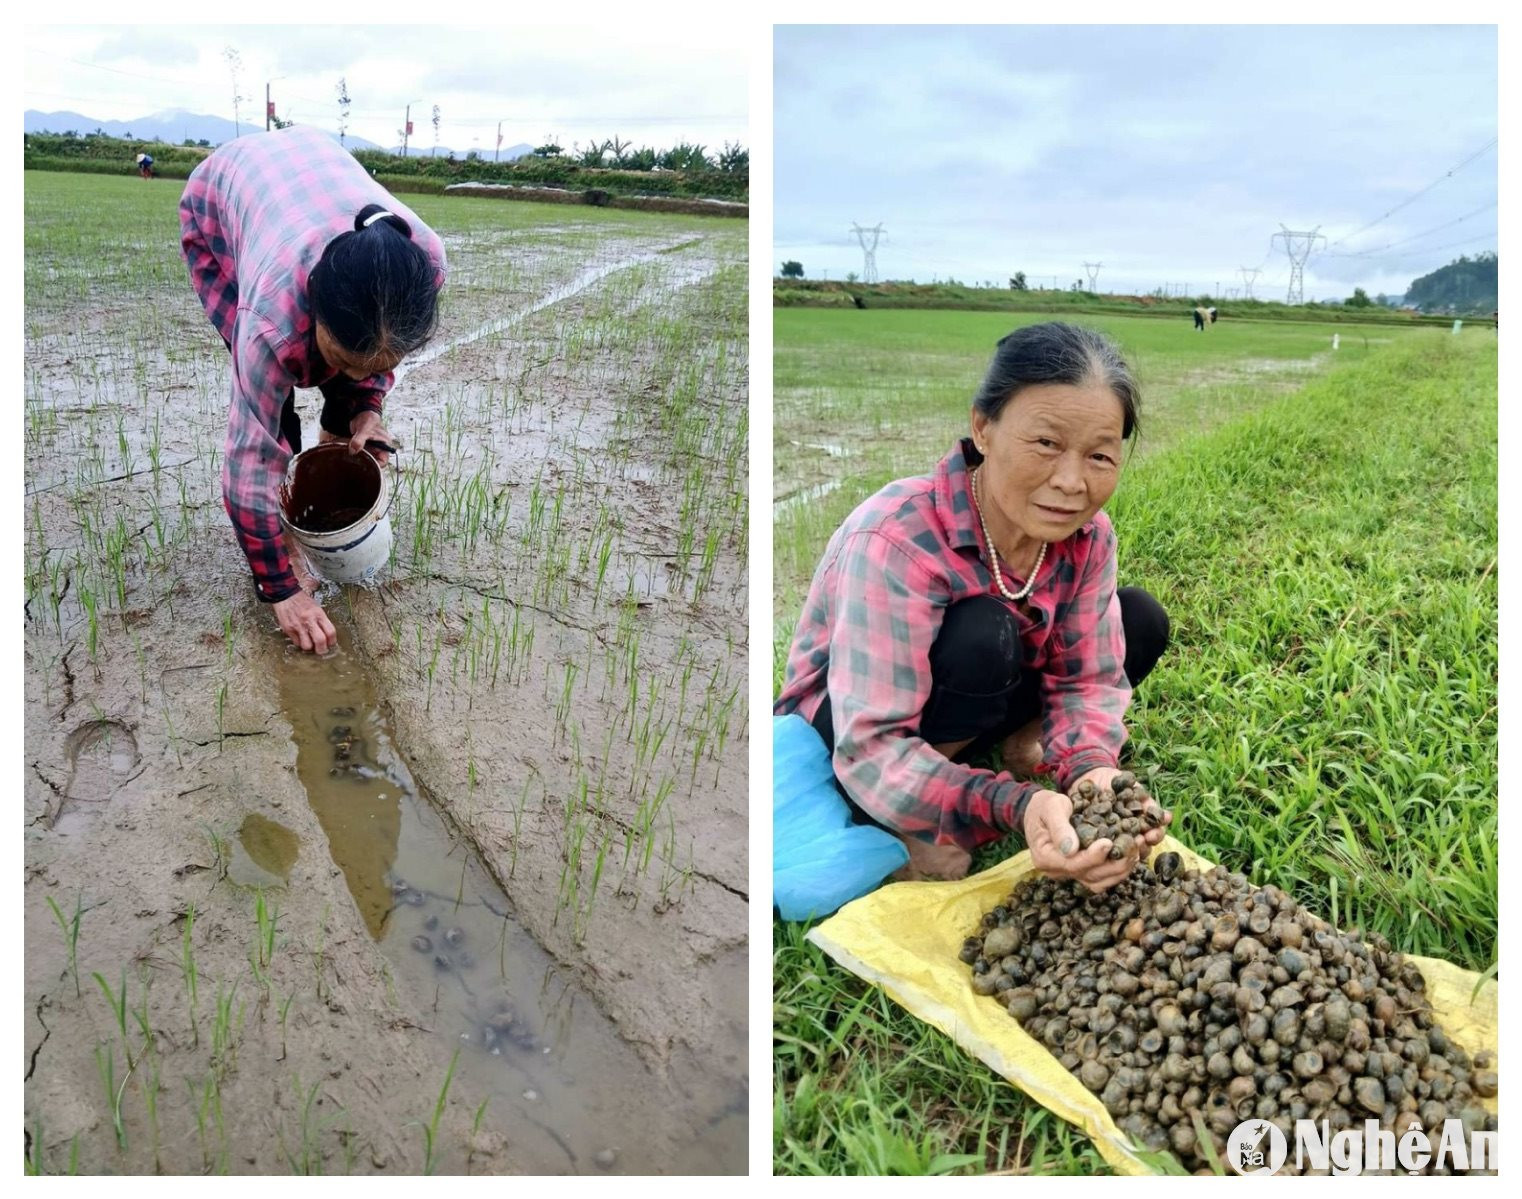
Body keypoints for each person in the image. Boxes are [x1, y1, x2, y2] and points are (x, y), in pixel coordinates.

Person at [775, 322, 1172, 891]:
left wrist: (1091, 771)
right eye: (1046, 444)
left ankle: (1014, 747)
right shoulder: (897, 537)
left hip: (977, 694)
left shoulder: (1089, 537)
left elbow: (1087, 678)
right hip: (855, 727)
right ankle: (908, 813)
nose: (1070, 482)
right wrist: (1015, 805)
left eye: (1100, 456)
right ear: (983, 428)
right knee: (985, 629)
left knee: (1140, 619)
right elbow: (870, 744)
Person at [179, 125, 446, 654]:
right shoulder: (270, 319)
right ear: (313, 306)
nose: (360, 370)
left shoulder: (426, 264)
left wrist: (365, 407)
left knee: (355, 374)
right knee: (272, 410)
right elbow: (245, 470)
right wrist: (280, 591)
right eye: (343, 357)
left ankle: (334, 442)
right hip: (219, 200)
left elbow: (372, 354)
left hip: (309, 174)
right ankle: (285, 538)